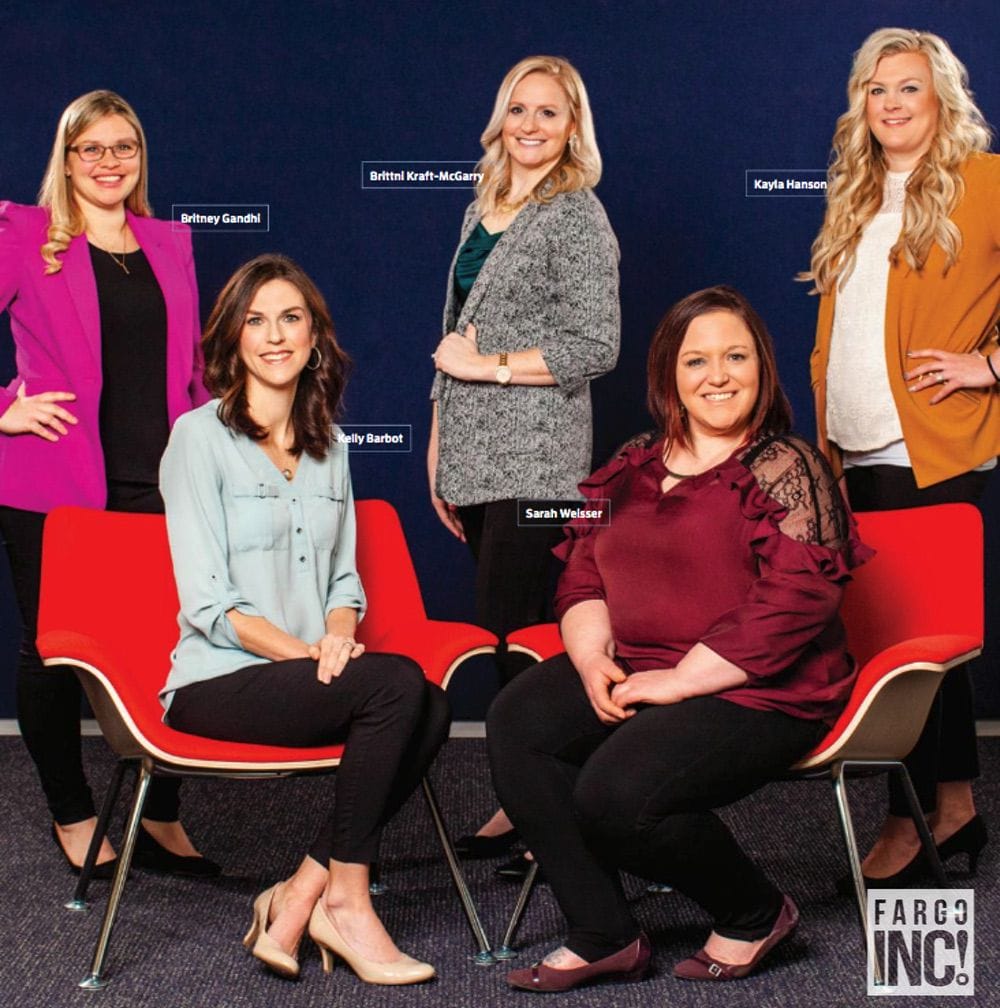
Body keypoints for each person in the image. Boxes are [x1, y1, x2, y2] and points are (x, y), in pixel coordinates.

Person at [487, 286, 872, 991]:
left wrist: (681, 679)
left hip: (761, 689)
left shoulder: (787, 466)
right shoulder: (633, 459)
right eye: (697, 361)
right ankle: (604, 931)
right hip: (639, 663)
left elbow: (796, 602)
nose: (718, 376)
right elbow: (580, 574)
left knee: (616, 793)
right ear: (669, 375)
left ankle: (755, 911)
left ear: (763, 368)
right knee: (520, 721)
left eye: (736, 357)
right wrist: (591, 656)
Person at [160, 254, 449, 985]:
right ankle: (347, 899)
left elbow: (344, 578)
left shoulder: (332, 447)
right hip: (220, 680)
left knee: (433, 704)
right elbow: (207, 599)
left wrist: (341, 636)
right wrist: (305, 654)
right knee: (398, 689)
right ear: (232, 340)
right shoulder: (197, 438)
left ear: (314, 337)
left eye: (290, 318)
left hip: (307, 672)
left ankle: (303, 893)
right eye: (255, 321)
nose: (275, 335)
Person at [0, 90, 215, 878]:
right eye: (90, 149)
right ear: (65, 158)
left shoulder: (166, 243)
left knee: (185, 645)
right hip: (52, 485)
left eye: (123, 147)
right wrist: (4, 411)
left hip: (161, 481)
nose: (109, 163)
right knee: (52, 655)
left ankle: (161, 816)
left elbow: (188, 371)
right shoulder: (24, 236)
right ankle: (74, 813)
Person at [806, 28, 998, 888]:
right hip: (856, 448)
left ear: (941, 100)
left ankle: (912, 817)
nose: (889, 104)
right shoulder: (855, 192)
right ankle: (950, 807)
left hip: (935, 450)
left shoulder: (987, 184)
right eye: (876, 89)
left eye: (908, 89)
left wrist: (987, 367)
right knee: (893, 633)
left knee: (921, 642)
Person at [428, 55, 619, 869]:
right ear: (500, 121)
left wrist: (492, 368)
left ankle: (551, 810)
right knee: (510, 636)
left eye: (550, 113)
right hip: (475, 458)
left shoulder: (576, 215)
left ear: (572, 126)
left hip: (540, 464)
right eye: (519, 111)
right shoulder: (484, 211)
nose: (531, 127)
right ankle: (533, 801)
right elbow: (452, 341)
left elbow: (597, 344)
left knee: (529, 636)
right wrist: (440, 437)